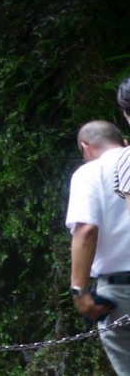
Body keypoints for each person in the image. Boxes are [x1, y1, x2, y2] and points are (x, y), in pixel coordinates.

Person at [67, 118, 130, 375]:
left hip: (120, 293)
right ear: (123, 141)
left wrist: (80, 293)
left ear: (86, 147)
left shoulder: (89, 173)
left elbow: (86, 230)